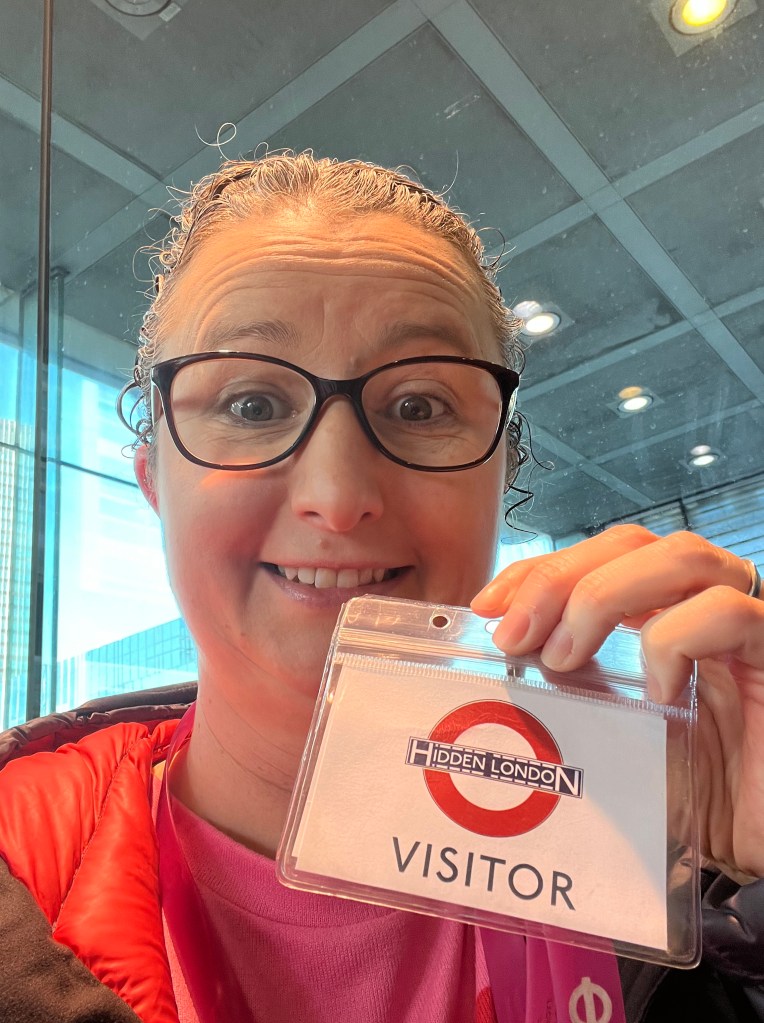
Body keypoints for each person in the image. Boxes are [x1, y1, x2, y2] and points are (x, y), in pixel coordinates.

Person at [1, 152, 763, 1023]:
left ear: (503, 472)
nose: (338, 496)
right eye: (252, 405)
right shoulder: (17, 877)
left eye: (418, 406)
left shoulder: (673, 864)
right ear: (151, 478)